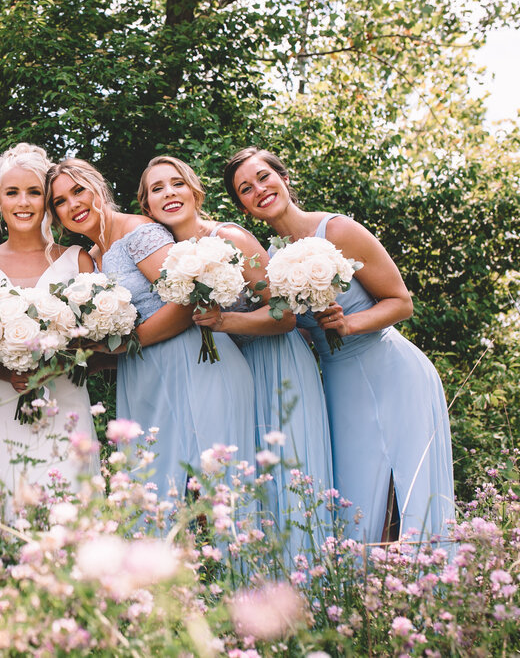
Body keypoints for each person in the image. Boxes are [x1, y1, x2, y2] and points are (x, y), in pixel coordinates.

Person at [224, 146, 455, 542]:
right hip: (337, 382)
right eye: (246, 189)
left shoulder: (337, 230)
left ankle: (433, 589)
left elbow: (402, 303)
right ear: (245, 208)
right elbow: (292, 327)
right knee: (354, 501)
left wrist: (348, 324)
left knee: (414, 497)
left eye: (264, 177)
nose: (259, 189)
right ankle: (365, 594)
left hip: (392, 372)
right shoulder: (272, 260)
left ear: (284, 178)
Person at [139, 155, 333, 556]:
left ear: (195, 191)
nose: (169, 193)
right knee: (250, 480)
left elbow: (284, 316)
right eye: (157, 189)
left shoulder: (231, 237)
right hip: (233, 373)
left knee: (286, 474)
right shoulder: (166, 259)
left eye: (176, 183)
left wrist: (223, 322)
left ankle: (310, 585)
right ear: (146, 207)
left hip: (278, 362)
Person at [46, 158, 255, 518]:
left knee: (213, 492)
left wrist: (131, 342)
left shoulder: (138, 230)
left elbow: (186, 300)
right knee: (156, 491)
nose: (73, 204)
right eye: (60, 201)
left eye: (78, 190)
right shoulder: (91, 257)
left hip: (192, 364)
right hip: (143, 375)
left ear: (98, 186)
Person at [0, 143, 99, 501]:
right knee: (10, 507)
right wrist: (2, 371)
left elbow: (97, 338)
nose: (23, 202)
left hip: (65, 399)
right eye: (12, 193)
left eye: (34, 192)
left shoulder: (77, 260)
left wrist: (60, 361)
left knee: (69, 505)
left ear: (46, 201)